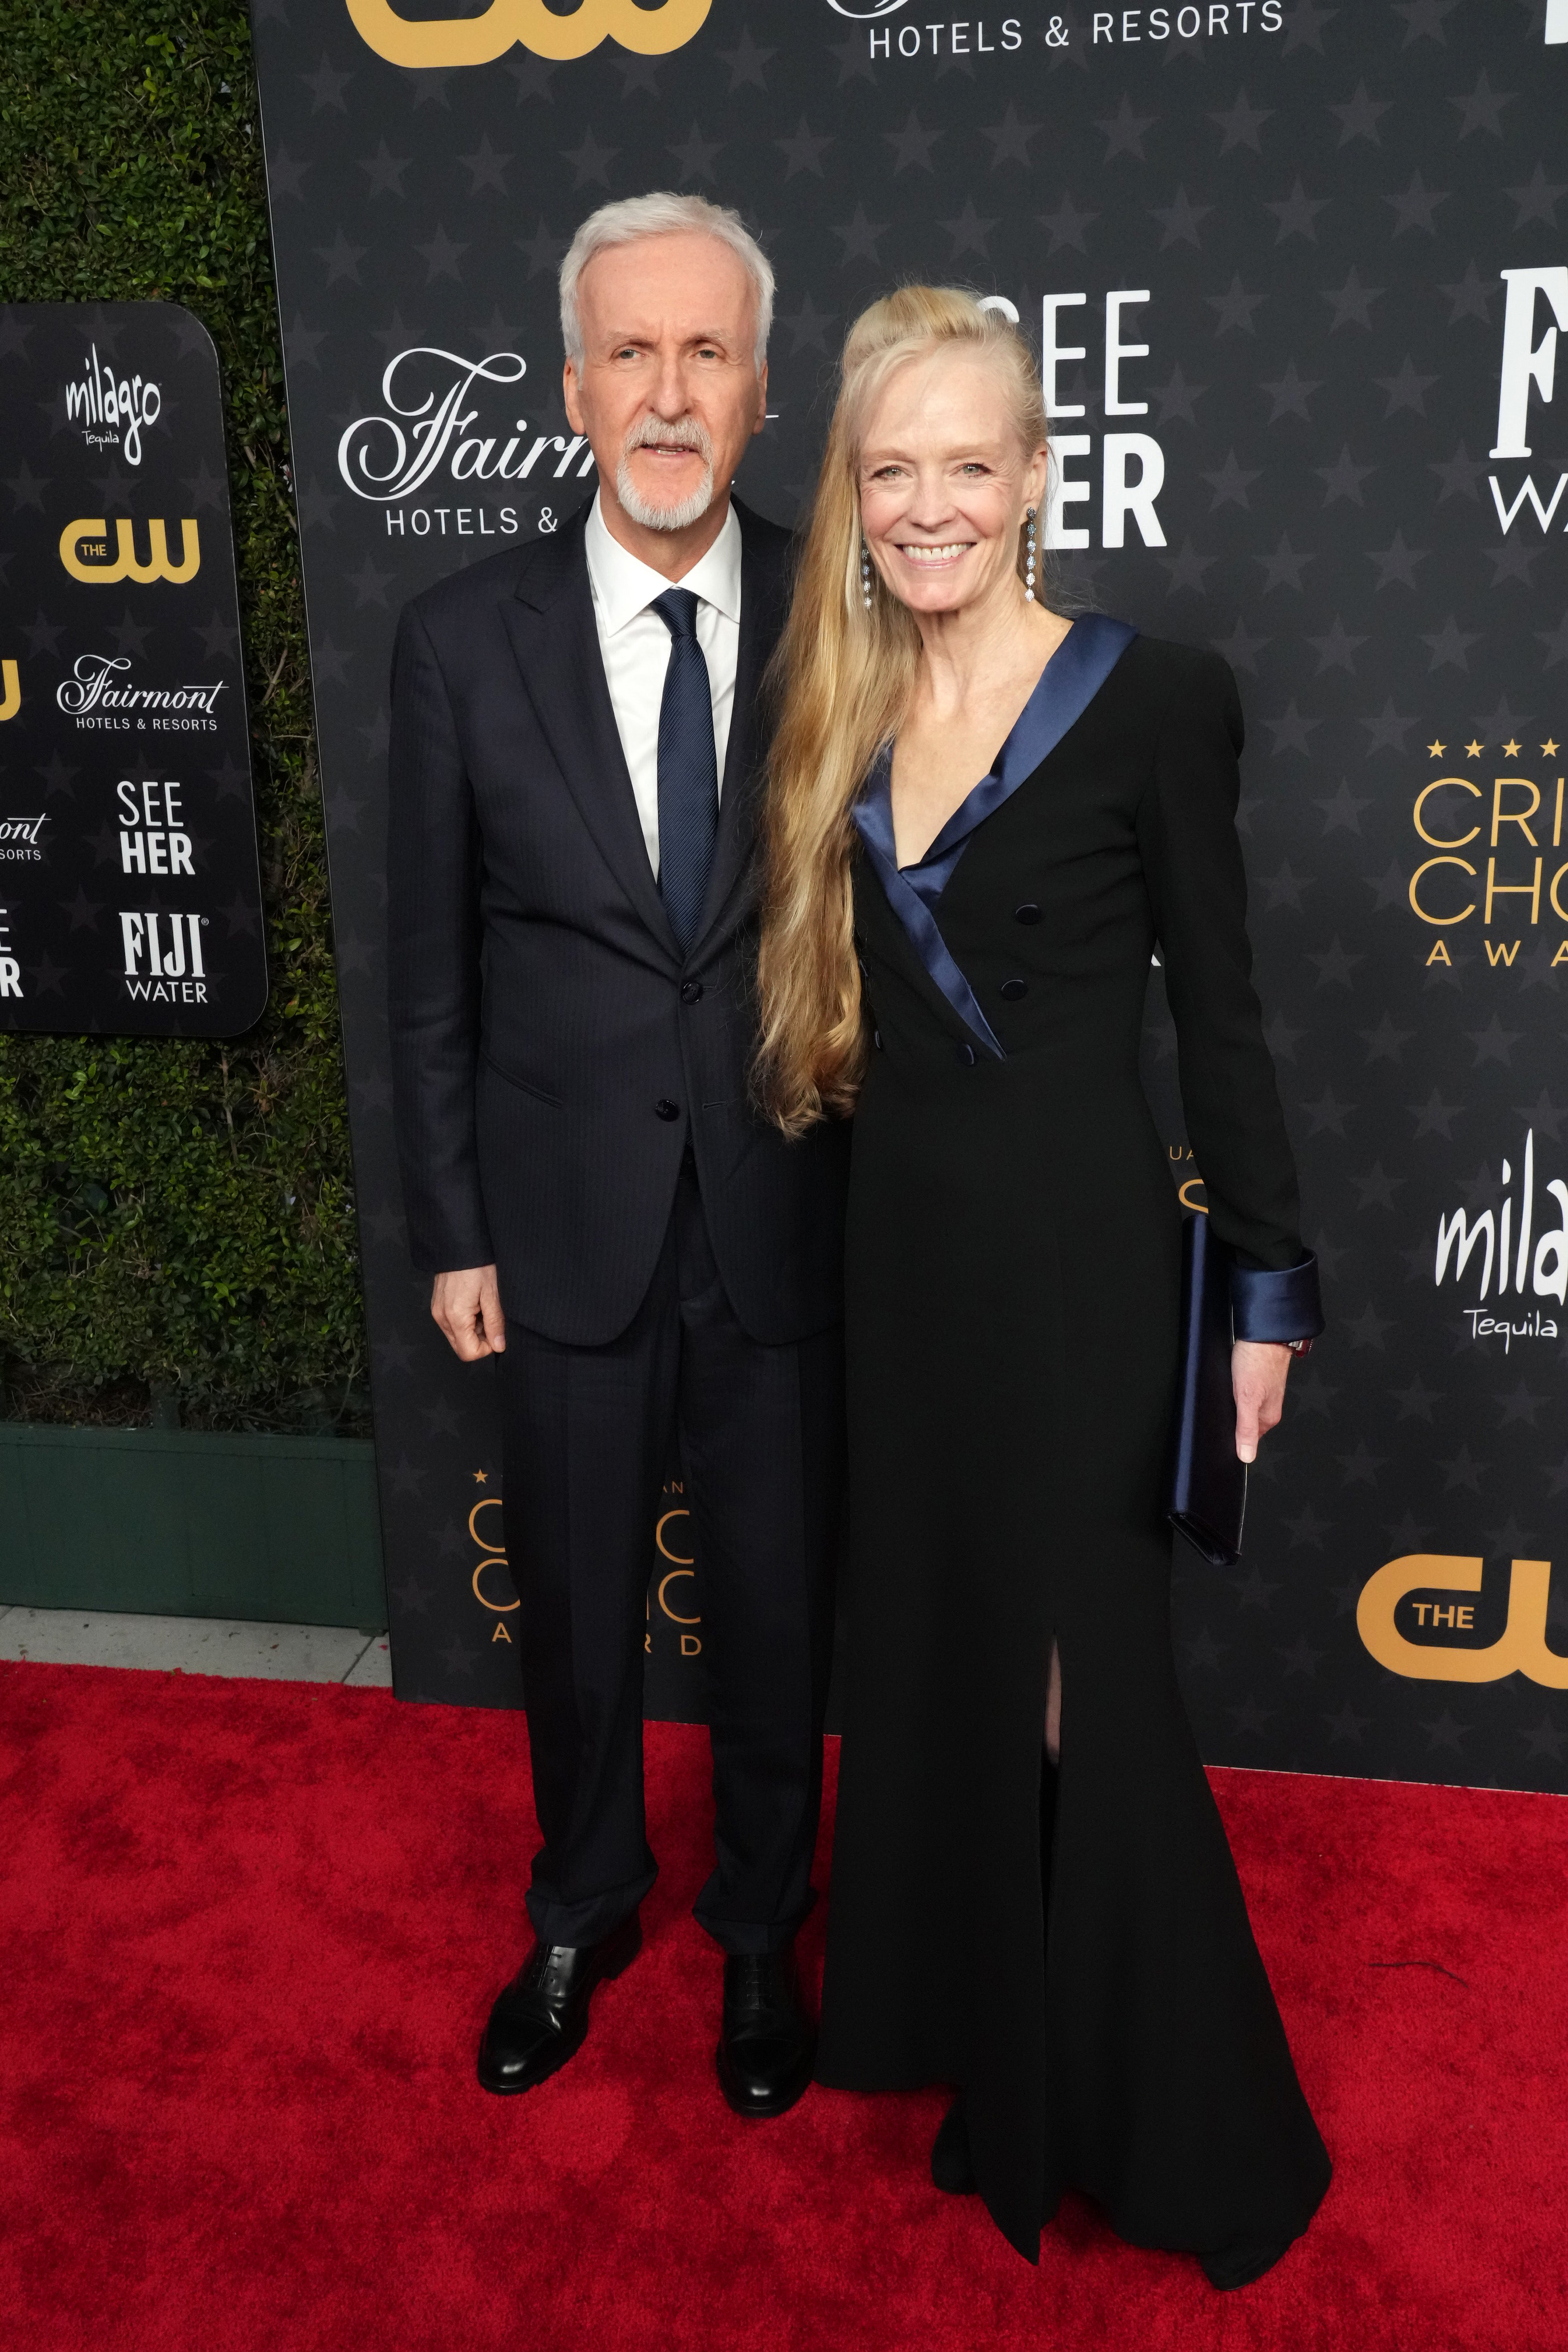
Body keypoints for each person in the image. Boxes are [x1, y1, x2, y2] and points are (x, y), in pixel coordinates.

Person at [755, 288, 1330, 2286]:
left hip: (1089, 1270)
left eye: (964, 467)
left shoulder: (1158, 697)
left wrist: (1263, 1293)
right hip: (908, 1273)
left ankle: (1209, 2151)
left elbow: (1228, 1025)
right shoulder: (834, 704)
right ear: (856, 488)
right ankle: (1021, 2082)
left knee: (1093, 1693)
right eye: (888, 469)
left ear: (1035, 478)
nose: (925, 507)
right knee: (961, 1683)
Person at [387, 193, 848, 2120]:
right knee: (574, 1613)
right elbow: (426, 970)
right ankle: (579, 1910)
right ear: (573, 388)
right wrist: (455, 1225)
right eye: (633, 355)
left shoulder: (845, 612)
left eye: (710, 353)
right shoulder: (455, 643)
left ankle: (760, 1939)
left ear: (762, 389)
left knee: (775, 1613)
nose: (671, 395)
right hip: (558, 1226)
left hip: (781, 1224)